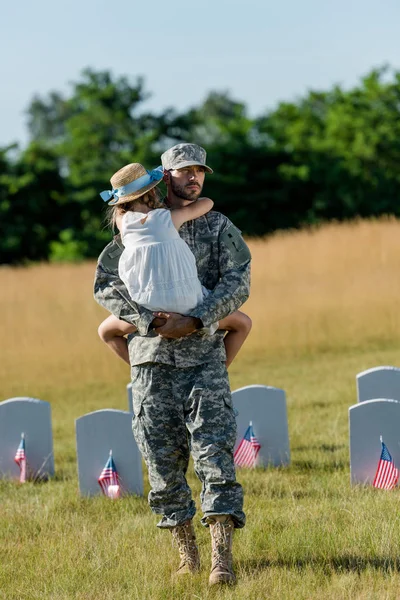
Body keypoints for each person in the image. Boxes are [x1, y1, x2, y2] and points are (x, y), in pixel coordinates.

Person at [94, 143, 251, 586]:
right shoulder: (135, 227)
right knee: (162, 464)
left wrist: (198, 318)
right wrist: (147, 320)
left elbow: (240, 281)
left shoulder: (219, 227)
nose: (193, 177)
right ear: (165, 178)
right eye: (184, 171)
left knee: (215, 457)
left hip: (203, 356)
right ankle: (188, 556)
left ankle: (221, 557)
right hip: (152, 363)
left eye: (200, 170)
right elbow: (105, 285)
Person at [97, 162, 251, 369]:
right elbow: (207, 203)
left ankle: (137, 369)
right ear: (152, 192)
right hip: (188, 302)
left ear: (120, 205)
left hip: (148, 305)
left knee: (105, 331)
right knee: (242, 323)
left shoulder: (123, 223)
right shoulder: (169, 218)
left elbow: (121, 212)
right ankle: (221, 369)